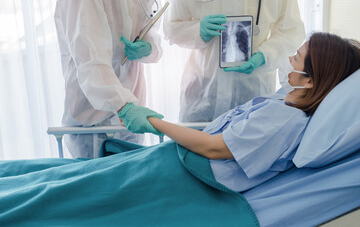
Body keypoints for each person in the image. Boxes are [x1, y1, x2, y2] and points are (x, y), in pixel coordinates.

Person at [1, 33, 360, 226]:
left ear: (312, 80)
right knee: (71, 178)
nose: (288, 61)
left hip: (183, 178)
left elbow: (214, 149)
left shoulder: (288, 120)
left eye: (296, 60)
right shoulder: (285, 103)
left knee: (73, 193)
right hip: (172, 163)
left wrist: (155, 122)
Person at [163, 0, 306, 122]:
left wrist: (265, 55)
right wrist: (198, 30)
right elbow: (171, 26)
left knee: (248, 142)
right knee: (193, 144)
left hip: (253, 89)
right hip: (203, 90)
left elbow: (291, 30)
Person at [54, 0, 164, 158]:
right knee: (97, 182)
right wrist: (123, 105)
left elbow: (151, 28)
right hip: (92, 118)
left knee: (132, 181)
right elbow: (91, 61)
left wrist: (149, 46)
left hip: (131, 109)